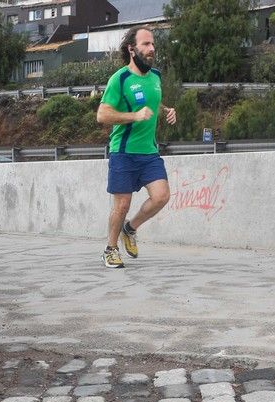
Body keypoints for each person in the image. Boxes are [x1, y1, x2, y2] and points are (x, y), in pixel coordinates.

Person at [95, 26, 176, 268]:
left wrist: (167, 110)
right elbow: (102, 114)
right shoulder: (120, 78)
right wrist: (134, 116)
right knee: (122, 205)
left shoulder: (156, 77)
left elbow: (154, 101)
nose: (151, 49)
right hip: (124, 152)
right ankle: (110, 249)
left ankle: (130, 229)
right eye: (146, 44)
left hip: (149, 152)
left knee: (162, 196)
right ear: (132, 49)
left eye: (152, 45)